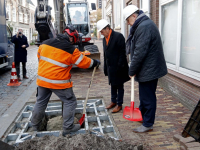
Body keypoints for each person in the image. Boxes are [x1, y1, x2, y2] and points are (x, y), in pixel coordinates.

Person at [31, 26, 100, 136]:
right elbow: (83, 63)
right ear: (72, 38)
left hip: (42, 80)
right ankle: (68, 127)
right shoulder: (70, 49)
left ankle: (35, 126)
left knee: (40, 102)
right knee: (70, 101)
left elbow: (40, 56)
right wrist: (94, 63)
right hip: (59, 82)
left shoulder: (45, 43)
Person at [123, 5, 168, 133]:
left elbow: (139, 52)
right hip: (148, 67)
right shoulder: (144, 24)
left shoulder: (144, 27)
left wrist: (131, 70)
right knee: (144, 96)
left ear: (134, 16)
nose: (128, 23)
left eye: (128, 20)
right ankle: (143, 116)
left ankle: (148, 124)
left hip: (150, 69)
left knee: (147, 97)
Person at [97, 19, 130, 113]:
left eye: (102, 31)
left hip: (119, 67)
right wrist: (105, 67)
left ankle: (119, 104)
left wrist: (119, 67)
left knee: (119, 86)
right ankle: (113, 101)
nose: (102, 33)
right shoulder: (104, 39)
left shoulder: (118, 36)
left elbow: (122, 53)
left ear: (107, 28)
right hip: (110, 66)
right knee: (112, 85)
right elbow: (105, 54)